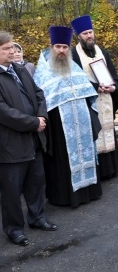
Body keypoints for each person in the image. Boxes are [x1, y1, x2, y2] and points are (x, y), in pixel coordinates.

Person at [33, 26, 102, 208]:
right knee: (63, 159)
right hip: (58, 125)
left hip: (82, 123)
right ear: (52, 47)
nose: (62, 51)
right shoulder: (43, 71)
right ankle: (65, 197)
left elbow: (87, 92)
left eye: (65, 47)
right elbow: (40, 99)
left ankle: (89, 191)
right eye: (58, 47)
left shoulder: (75, 67)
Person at [0, 31, 57, 246]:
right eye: (6, 49)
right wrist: (33, 123)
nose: (12, 52)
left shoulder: (20, 70)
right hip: (10, 145)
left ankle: (37, 217)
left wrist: (41, 116)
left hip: (33, 140)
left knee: (36, 182)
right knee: (12, 191)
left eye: (13, 47)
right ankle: (14, 229)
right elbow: (3, 112)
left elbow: (39, 93)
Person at [70, 15, 118, 179]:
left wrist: (112, 86)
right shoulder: (73, 55)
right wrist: (95, 87)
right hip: (89, 101)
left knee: (108, 130)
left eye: (90, 32)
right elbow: (74, 80)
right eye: (85, 33)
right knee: (94, 133)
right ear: (79, 36)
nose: (89, 35)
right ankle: (97, 170)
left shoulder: (103, 52)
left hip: (106, 99)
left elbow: (114, 75)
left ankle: (111, 168)